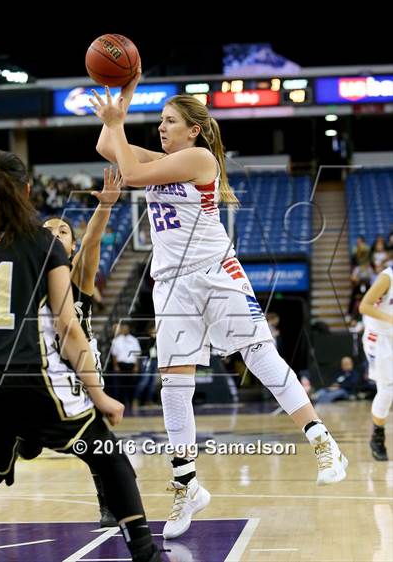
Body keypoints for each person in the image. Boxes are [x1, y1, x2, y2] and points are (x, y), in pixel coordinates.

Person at [90, 77, 348, 540]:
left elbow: (126, 169)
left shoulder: (199, 158)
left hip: (214, 272)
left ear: (193, 129)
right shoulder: (165, 159)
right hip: (170, 285)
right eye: (162, 122)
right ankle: (187, 486)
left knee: (260, 356)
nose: (163, 128)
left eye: (170, 121)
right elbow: (107, 143)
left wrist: (119, 121)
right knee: (174, 387)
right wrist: (124, 93)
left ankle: (323, 442)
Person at [0, 150, 161, 562]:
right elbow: (67, 328)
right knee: (108, 454)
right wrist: (102, 396)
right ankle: (145, 551)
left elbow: (90, 245)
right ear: (27, 190)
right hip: (31, 376)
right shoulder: (40, 245)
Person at [37, 166, 122, 527]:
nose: (57, 235)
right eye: (49, 231)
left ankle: (109, 502)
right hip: (37, 373)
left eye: (64, 231)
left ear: (71, 244)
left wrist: (103, 208)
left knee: (99, 446)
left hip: (79, 372)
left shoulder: (75, 274)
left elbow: (93, 243)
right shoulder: (25, 274)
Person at [359, 266, 393, 461]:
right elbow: (364, 306)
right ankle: (377, 437)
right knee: (387, 389)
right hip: (378, 336)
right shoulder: (387, 277)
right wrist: (390, 319)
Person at [110, 323, 141, 410]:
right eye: (123, 328)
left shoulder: (134, 340)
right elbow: (114, 355)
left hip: (131, 365)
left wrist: (136, 366)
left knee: (131, 386)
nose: (124, 330)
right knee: (121, 386)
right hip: (121, 365)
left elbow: (137, 354)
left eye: (126, 328)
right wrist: (115, 366)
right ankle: (121, 404)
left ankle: (130, 403)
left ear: (129, 329)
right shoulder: (116, 340)